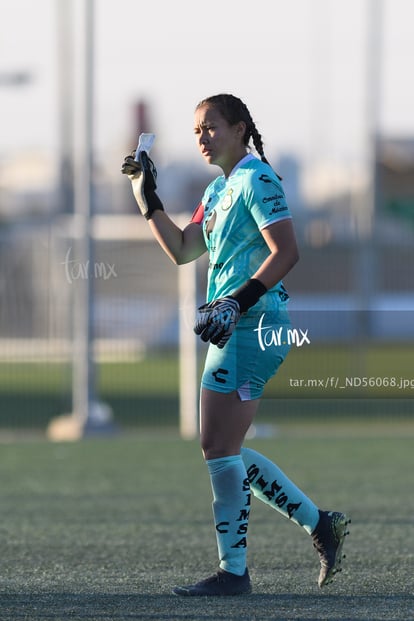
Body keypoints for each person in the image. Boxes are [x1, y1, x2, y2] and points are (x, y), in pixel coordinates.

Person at [121, 93, 350, 597]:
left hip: (253, 322)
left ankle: (235, 573)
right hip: (236, 324)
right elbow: (183, 249)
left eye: (211, 127)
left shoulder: (257, 177)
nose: (202, 136)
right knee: (223, 450)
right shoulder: (218, 188)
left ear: (240, 128)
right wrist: (146, 198)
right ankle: (319, 525)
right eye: (197, 130)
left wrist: (236, 303)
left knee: (217, 448)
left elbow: (286, 252)